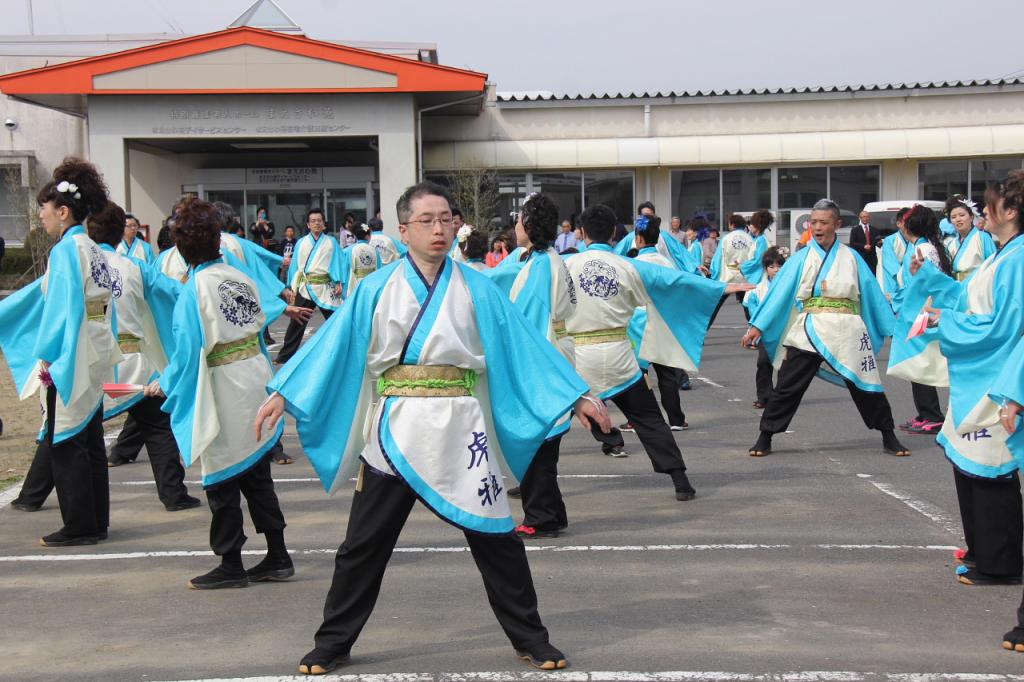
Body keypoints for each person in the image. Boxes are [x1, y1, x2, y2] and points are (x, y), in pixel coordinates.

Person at [258, 180, 608, 673]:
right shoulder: (376, 287)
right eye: (426, 221)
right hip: (395, 428)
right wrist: (284, 391)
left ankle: (531, 637)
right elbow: (333, 343)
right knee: (363, 544)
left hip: (460, 426)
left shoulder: (478, 286)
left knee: (497, 539)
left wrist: (576, 395)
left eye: (446, 219)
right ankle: (332, 642)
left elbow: (524, 344)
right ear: (404, 231)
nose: (439, 229)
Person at [150, 197, 307, 589]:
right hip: (254, 374)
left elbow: (188, 352)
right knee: (256, 473)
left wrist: (165, 382)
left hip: (223, 385)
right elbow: (258, 323)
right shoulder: (238, 276)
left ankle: (231, 562)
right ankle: (277, 554)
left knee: (221, 474)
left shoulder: (195, 288)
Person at [566, 204, 744, 497]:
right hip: (620, 357)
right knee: (649, 419)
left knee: (551, 419)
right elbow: (675, 280)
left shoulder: (562, 265)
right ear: (613, 233)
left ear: (582, 233)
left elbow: (520, 275)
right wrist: (717, 288)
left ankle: (531, 481)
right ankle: (680, 481)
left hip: (578, 358)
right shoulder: (630, 265)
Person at [907, 175, 1024, 589]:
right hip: (979, 372)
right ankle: (982, 551)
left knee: (991, 468)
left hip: (997, 376)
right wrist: (934, 287)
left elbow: (1004, 327)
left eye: (989, 204)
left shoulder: (1018, 257)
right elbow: (969, 299)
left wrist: (948, 321)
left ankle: (1001, 562)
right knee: (970, 466)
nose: (981, 212)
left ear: (1011, 211)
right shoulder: (1004, 253)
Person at [0, 157, 117, 544]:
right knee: (89, 437)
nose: (41, 217)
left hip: (75, 347)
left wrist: (49, 354)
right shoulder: (93, 248)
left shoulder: (66, 251)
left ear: (63, 211)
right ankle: (96, 520)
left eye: (45, 210)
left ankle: (80, 524)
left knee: (66, 438)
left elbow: (60, 308)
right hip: (96, 343)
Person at [741, 199, 910, 458]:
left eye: (824, 222)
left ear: (837, 224)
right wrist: (758, 325)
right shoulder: (801, 258)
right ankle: (766, 435)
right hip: (810, 327)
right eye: (814, 222)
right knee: (788, 384)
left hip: (847, 327)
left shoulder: (852, 257)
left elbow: (872, 293)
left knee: (867, 384)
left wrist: (892, 327)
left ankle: (888, 434)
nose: (818, 227)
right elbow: (779, 292)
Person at [485, 192, 599, 539]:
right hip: (555, 350)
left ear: (530, 225)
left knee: (537, 441)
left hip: (541, 358)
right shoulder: (543, 259)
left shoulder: (538, 267)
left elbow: (526, 327)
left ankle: (541, 517)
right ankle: (552, 512)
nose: (515, 227)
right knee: (544, 444)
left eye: (519, 220)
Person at [92, 201, 200, 510]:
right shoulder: (134, 266)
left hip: (92, 364)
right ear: (120, 232)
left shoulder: (77, 263)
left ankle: (32, 494)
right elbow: (174, 292)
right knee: (158, 426)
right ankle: (173, 495)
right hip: (133, 362)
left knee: (68, 429)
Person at [885, 206, 952, 436]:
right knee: (918, 362)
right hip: (919, 308)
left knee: (920, 362)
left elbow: (924, 281)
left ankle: (932, 414)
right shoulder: (923, 246)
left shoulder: (922, 248)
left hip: (921, 310)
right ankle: (925, 413)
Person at [622, 215, 690, 431]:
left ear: (638, 239)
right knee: (667, 374)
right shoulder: (666, 263)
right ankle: (676, 419)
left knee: (638, 376)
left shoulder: (632, 264)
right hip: (662, 321)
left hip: (638, 322)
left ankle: (637, 419)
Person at [276, 208, 343, 365]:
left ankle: (342, 351)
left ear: (324, 223)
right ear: (308, 224)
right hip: (305, 286)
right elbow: (295, 266)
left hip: (325, 286)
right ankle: (285, 356)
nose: (316, 223)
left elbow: (338, 262)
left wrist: (339, 282)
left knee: (336, 319)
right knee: (297, 321)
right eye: (313, 221)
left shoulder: (331, 242)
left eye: (319, 220)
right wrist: (291, 286)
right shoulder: (301, 242)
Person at [743, 247, 787, 409]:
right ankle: (764, 396)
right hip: (765, 333)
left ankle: (782, 397)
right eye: (771, 266)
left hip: (785, 331)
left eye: (779, 266)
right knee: (763, 363)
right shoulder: (758, 289)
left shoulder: (789, 287)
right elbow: (752, 310)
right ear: (765, 268)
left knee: (785, 365)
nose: (776, 270)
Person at [709, 214, 755, 324]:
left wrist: (714, 276)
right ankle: (756, 330)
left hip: (728, 277)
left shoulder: (726, 238)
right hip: (745, 278)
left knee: (714, 307)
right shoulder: (750, 238)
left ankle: (702, 331)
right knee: (748, 307)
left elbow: (718, 259)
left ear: (732, 225)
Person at [945, 195, 996, 281]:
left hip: (978, 285)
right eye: (953, 217)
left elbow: (993, 265)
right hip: (957, 286)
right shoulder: (951, 244)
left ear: (971, 217)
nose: (958, 219)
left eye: (962, 215)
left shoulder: (983, 237)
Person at [876, 207, 912, 301]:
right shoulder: (890, 241)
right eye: (906, 221)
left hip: (910, 281)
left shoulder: (914, 240)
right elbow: (892, 266)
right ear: (898, 223)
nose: (909, 224)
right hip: (893, 281)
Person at [338, 222, 381, 298]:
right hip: (371, 286)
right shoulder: (375, 251)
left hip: (354, 286)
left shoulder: (348, 251)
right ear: (367, 236)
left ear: (355, 235)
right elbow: (379, 270)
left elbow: (342, 270)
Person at [739, 210, 774, 286]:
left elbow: (758, 261)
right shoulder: (760, 239)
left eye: (752, 224)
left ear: (758, 225)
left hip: (760, 277)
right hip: (760, 275)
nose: (750, 226)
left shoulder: (761, 240)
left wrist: (742, 266)